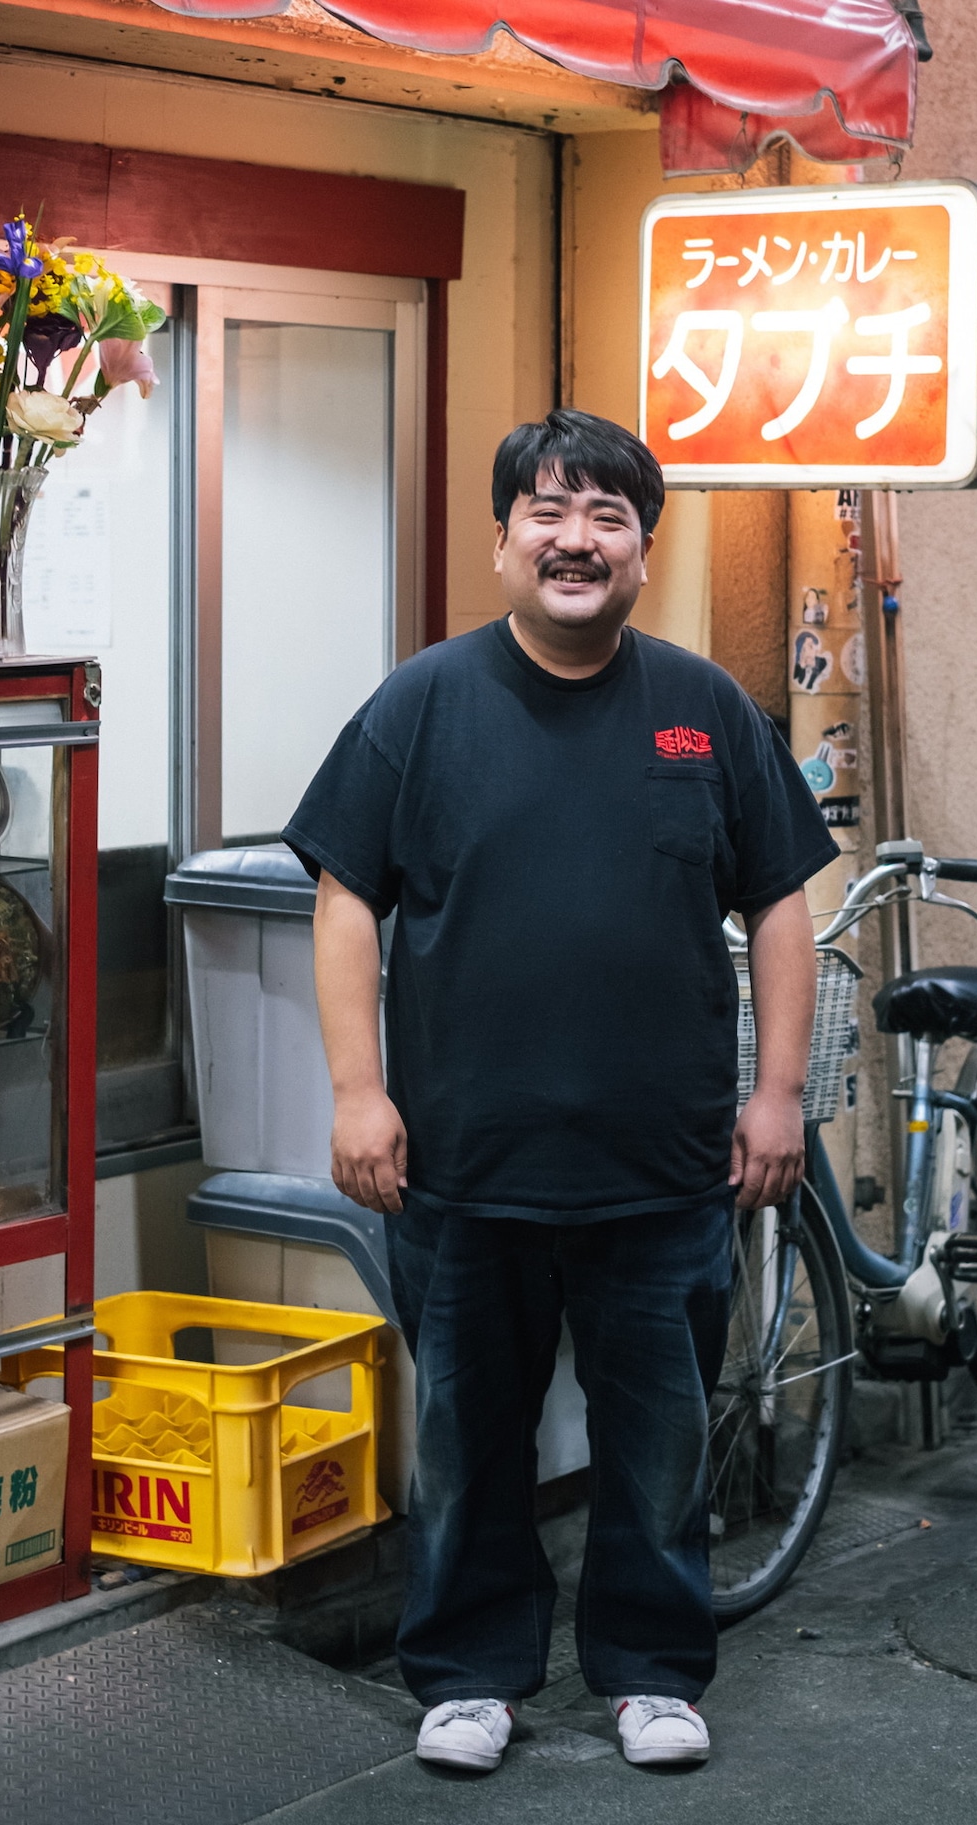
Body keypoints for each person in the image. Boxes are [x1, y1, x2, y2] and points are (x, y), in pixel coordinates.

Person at [284, 409, 836, 1775]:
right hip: (463, 1164)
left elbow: (778, 904)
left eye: (606, 516)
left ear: (645, 547)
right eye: (549, 510)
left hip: (662, 1167)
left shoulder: (702, 711)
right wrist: (359, 1089)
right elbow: (347, 896)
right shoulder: (422, 704)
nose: (575, 538)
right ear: (502, 539)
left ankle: (651, 1666)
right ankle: (470, 1671)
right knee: (470, 1440)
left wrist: (777, 1092)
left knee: (657, 1436)